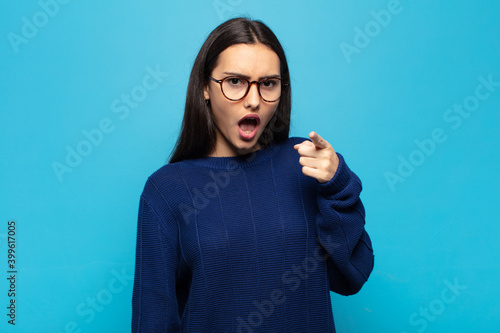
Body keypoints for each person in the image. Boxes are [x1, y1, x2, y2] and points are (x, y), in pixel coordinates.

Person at [131, 17, 374, 332]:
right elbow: (154, 319)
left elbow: (351, 276)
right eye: (235, 81)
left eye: (268, 83)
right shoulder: (166, 190)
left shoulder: (304, 162)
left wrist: (338, 185)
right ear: (205, 87)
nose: (254, 99)